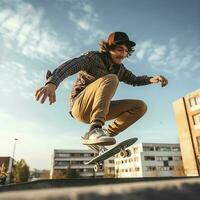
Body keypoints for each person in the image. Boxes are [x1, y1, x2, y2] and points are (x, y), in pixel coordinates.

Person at [35, 32, 168, 153]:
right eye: (119, 50)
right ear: (109, 48)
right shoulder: (92, 58)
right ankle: (94, 130)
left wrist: (151, 79)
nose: (122, 55)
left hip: (99, 110)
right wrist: (52, 83)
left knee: (140, 106)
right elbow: (70, 66)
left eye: (126, 51)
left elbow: (134, 80)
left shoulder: (120, 69)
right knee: (111, 78)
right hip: (80, 107)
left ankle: (103, 135)